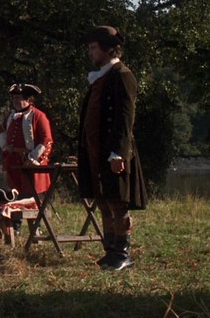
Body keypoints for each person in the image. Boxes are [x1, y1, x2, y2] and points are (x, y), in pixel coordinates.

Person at [77, 26, 147, 271]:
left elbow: (125, 119)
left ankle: (122, 253)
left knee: (118, 203)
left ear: (108, 49)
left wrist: (119, 153)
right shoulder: (100, 77)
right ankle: (110, 250)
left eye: (93, 47)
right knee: (104, 201)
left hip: (114, 152)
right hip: (96, 151)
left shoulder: (122, 75)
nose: (90, 52)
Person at [0, 83, 53, 196]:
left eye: (18, 98)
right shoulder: (10, 116)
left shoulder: (38, 116)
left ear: (28, 100)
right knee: (15, 196)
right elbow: (1, 130)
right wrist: (5, 147)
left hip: (31, 164)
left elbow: (46, 140)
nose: (15, 101)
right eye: (14, 98)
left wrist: (33, 158)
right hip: (13, 164)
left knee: (32, 197)